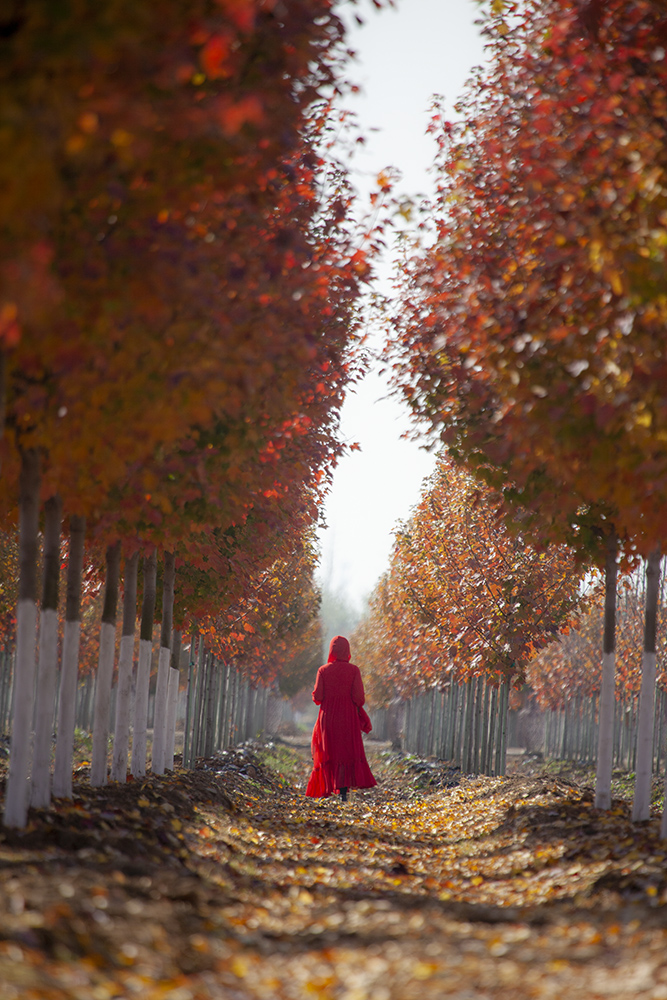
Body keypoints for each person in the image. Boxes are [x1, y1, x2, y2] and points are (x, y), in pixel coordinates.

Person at [305, 635, 377, 801]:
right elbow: (359, 698)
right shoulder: (354, 671)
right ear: (347, 651)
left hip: (328, 717)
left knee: (329, 751)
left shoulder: (323, 670)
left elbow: (318, 697)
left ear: (331, 650)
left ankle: (327, 788)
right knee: (344, 751)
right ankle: (343, 792)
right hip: (347, 718)